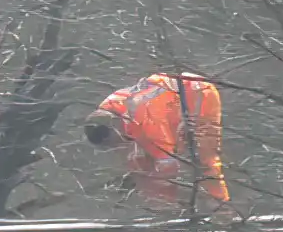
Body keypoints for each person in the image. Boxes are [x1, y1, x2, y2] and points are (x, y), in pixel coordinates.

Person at [85, 71, 228, 210]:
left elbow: (168, 162)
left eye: (115, 141)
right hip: (167, 105)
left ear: (115, 127)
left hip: (198, 93)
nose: (118, 145)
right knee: (140, 159)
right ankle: (156, 207)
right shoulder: (109, 109)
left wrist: (162, 191)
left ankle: (220, 206)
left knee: (203, 156)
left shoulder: (147, 120)